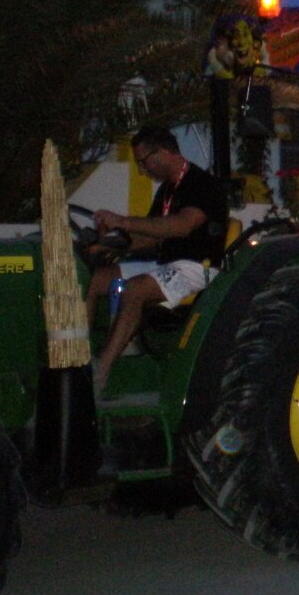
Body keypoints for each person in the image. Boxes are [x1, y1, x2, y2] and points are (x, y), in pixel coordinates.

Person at [86, 124, 228, 394]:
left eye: (143, 161)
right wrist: (107, 245)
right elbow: (151, 236)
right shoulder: (167, 190)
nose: (142, 169)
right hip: (166, 262)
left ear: (162, 152)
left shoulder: (203, 185)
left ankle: (100, 373)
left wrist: (123, 221)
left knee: (136, 288)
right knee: (95, 280)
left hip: (196, 267)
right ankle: (79, 357)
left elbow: (181, 226)